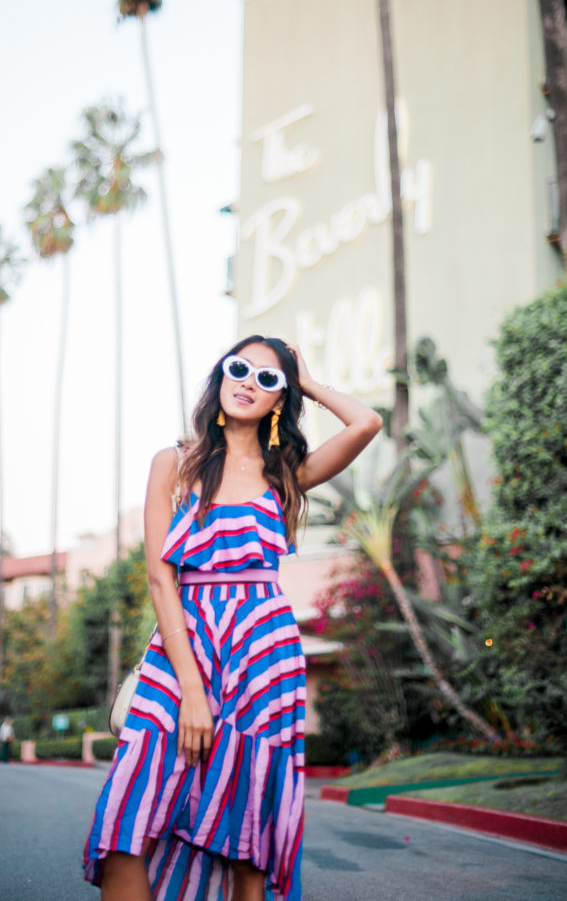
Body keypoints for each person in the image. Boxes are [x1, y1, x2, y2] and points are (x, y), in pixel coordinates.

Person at [83, 336, 382, 901]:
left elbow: (366, 422)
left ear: (280, 399)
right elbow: (159, 578)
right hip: (182, 647)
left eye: (269, 379)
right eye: (240, 368)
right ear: (220, 376)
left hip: (263, 655)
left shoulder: (285, 473)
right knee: (129, 819)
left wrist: (309, 383)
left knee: (248, 835)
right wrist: (192, 691)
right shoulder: (174, 462)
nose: (250, 382)